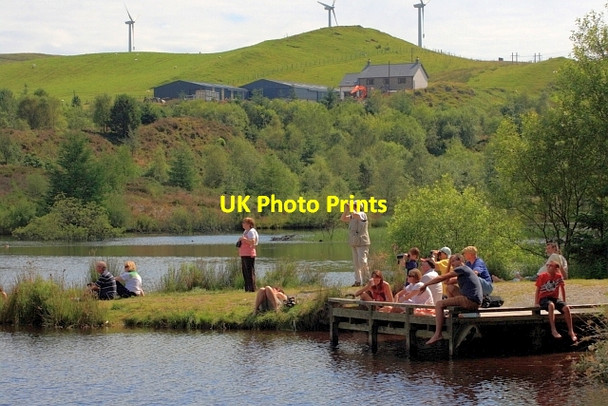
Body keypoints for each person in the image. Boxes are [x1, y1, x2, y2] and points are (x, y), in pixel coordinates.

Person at [420, 253, 483, 345]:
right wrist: (449, 265)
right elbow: (446, 282)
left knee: (439, 304)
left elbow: (442, 278)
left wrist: (426, 284)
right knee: (450, 287)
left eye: (454, 261)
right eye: (451, 261)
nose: (452, 263)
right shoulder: (464, 272)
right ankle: (451, 312)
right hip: (471, 300)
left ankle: (438, 334)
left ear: (460, 260)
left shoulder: (462, 269)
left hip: (470, 301)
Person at [535, 259, 577, 342]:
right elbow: (537, 290)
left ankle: (571, 331)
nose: (548, 267)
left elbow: (562, 289)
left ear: (556, 269)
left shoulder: (558, 277)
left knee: (566, 308)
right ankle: (553, 329)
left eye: (551, 266)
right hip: (544, 298)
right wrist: (536, 302)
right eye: (548, 265)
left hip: (554, 298)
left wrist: (564, 301)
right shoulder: (542, 276)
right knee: (551, 305)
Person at [341, 200, 370, 287]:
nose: (352, 206)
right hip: (354, 242)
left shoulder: (362, 214)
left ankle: (367, 281)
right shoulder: (352, 216)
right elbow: (342, 218)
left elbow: (357, 215)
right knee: (356, 263)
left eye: (354, 205)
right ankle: (358, 281)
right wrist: (346, 210)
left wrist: (350, 208)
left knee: (362, 262)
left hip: (362, 242)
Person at [238, 217, 259, 292]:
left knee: (250, 271)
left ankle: (252, 288)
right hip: (244, 254)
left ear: (249, 224)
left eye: (244, 223)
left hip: (249, 254)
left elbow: (252, 242)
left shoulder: (251, 232)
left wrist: (244, 239)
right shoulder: (245, 232)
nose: (243, 224)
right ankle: (247, 288)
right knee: (245, 272)